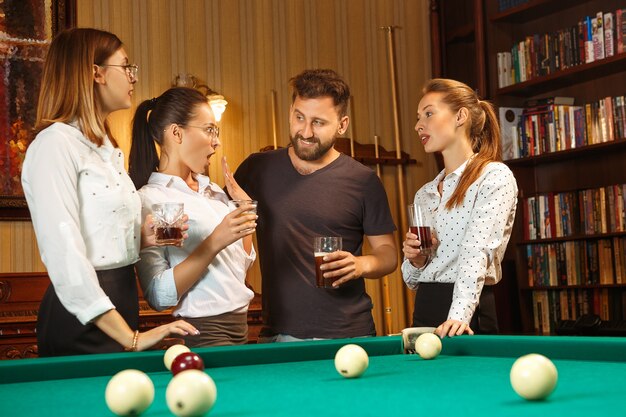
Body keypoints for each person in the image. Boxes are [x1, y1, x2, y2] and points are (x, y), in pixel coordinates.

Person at [21, 28, 198, 356]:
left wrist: (142, 238)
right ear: (95, 73)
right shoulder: (54, 145)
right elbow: (65, 256)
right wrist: (130, 338)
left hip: (121, 301)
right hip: (81, 319)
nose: (133, 77)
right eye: (126, 66)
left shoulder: (105, 148)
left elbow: (99, 240)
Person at [227, 69, 398, 341]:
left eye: (318, 122)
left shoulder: (363, 180)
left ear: (342, 125)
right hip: (278, 335)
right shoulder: (256, 169)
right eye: (299, 117)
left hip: (349, 335)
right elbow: (218, 231)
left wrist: (360, 264)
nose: (305, 131)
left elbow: (388, 254)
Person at [129, 87, 258, 347]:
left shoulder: (214, 192)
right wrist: (213, 242)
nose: (217, 141)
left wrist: (244, 208)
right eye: (209, 130)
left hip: (241, 326)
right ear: (176, 133)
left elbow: (239, 268)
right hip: (203, 331)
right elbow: (158, 295)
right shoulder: (149, 199)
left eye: (216, 132)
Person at [402, 78, 518, 338]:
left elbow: (476, 252)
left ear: (460, 116)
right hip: (425, 307)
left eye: (429, 114)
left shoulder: (494, 177)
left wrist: (458, 316)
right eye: (419, 117)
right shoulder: (425, 193)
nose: (418, 125)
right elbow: (410, 279)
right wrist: (416, 260)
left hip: (468, 311)